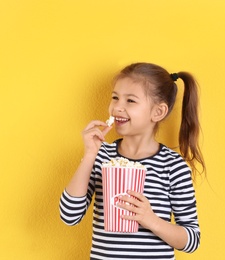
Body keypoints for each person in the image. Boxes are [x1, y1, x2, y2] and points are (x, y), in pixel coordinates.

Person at [59, 62, 206, 260]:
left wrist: (150, 220)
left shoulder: (173, 166)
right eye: (115, 98)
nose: (117, 107)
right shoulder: (102, 156)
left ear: (158, 112)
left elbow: (192, 240)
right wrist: (89, 156)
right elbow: (69, 216)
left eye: (130, 101)